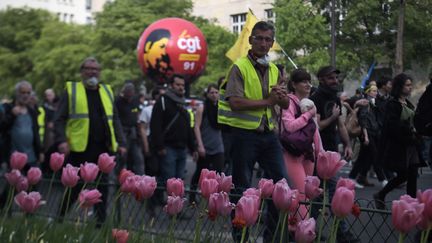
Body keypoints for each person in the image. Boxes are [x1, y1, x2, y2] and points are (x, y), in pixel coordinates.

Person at [218, 21, 289, 241]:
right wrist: (268, 100)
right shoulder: (239, 66)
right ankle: (241, 237)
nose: (263, 43)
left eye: (268, 39)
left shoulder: (275, 69)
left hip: (269, 135)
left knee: (281, 187)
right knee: (241, 189)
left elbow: (284, 105)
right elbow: (235, 103)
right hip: (243, 136)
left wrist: (282, 98)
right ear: (250, 40)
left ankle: (274, 238)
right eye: (259, 38)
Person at [54, 57, 126, 223]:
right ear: (82, 72)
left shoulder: (107, 91)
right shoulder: (72, 90)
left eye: (96, 69)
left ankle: (100, 222)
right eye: (89, 68)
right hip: (79, 148)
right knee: (74, 186)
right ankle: (60, 217)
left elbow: (115, 119)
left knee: (103, 187)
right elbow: (59, 119)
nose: (93, 71)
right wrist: (62, 141)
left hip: (103, 148)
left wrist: (122, 142)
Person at [310, 66, 358, 243]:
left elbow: (341, 125)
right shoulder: (315, 99)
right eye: (331, 78)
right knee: (321, 193)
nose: (335, 82)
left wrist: (347, 145)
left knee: (331, 193)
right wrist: (333, 117)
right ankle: (314, 230)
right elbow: (318, 126)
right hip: (317, 152)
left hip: (331, 152)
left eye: (336, 79)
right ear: (321, 79)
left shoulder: (335, 98)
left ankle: (315, 230)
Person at [374, 73, 423, 209]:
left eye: (410, 85)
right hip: (399, 145)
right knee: (404, 175)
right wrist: (409, 131)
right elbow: (392, 126)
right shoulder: (392, 104)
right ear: (400, 86)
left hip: (411, 145)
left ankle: (411, 205)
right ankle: (382, 194)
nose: (410, 87)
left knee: (412, 175)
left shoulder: (407, 103)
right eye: (407, 85)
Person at [281, 69, 323, 221]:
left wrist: (320, 151)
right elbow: (290, 126)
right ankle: (303, 231)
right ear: (294, 84)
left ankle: (298, 230)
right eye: (304, 81)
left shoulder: (309, 103)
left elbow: (314, 130)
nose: (308, 84)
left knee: (306, 197)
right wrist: (308, 115)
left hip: (308, 154)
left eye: (309, 81)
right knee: (299, 195)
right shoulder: (289, 102)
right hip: (292, 153)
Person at [150, 74, 196, 197]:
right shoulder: (163, 101)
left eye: (182, 85)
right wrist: (160, 146)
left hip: (182, 148)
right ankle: (157, 203)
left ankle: (175, 209)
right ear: (171, 85)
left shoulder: (182, 103)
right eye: (178, 84)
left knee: (179, 181)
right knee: (168, 179)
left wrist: (193, 148)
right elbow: (155, 125)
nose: (181, 87)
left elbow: (188, 126)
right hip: (168, 148)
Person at [190, 84, 225, 203]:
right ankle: (192, 197)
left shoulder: (221, 107)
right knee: (200, 172)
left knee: (219, 173)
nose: (214, 95)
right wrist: (199, 145)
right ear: (207, 94)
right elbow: (196, 127)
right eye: (212, 93)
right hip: (205, 145)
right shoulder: (202, 107)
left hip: (218, 145)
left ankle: (216, 201)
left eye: (216, 92)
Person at [348, 85, 387, 187]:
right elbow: (363, 120)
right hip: (367, 134)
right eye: (373, 91)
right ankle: (382, 179)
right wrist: (365, 136)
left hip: (372, 133)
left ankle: (352, 178)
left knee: (364, 157)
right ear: (368, 92)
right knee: (375, 155)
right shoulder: (365, 103)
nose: (376, 92)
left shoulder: (372, 103)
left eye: (376, 91)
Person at [0, 81, 43, 171]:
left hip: (31, 158)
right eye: (23, 92)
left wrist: (40, 151)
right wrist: (12, 115)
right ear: (17, 93)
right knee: (12, 184)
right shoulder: (7, 108)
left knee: (33, 183)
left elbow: (36, 133)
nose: (26, 95)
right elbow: (2, 128)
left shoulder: (31, 111)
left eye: (28, 92)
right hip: (12, 159)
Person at [115, 82, 144, 175]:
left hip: (134, 133)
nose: (130, 96)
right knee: (122, 158)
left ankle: (139, 179)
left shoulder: (135, 101)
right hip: (123, 133)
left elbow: (136, 114)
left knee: (138, 158)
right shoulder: (118, 101)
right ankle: (118, 178)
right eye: (128, 94)